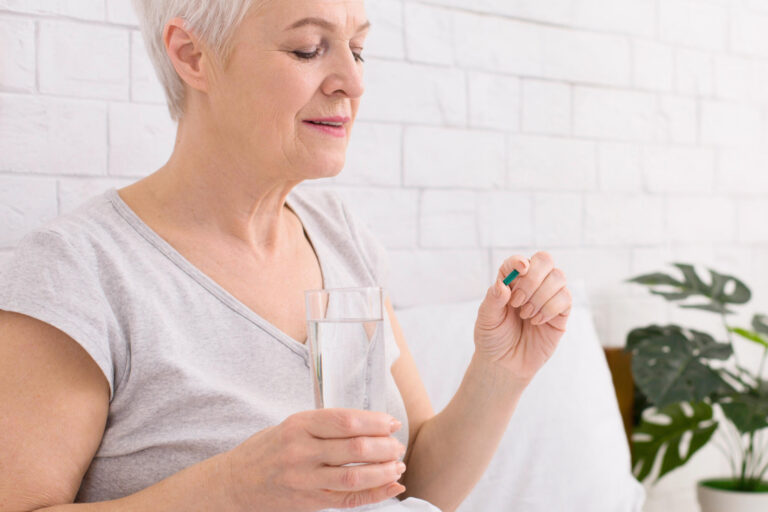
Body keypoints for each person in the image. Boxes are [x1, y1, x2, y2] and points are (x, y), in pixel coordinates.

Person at [0, 0, 573, 510]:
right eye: (308, 48)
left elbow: (417, 484)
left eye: (358, 49)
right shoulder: (76, 271)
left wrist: (500, 371)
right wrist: (231, 488)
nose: (352, 80)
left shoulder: (342, 237)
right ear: (193, 55)